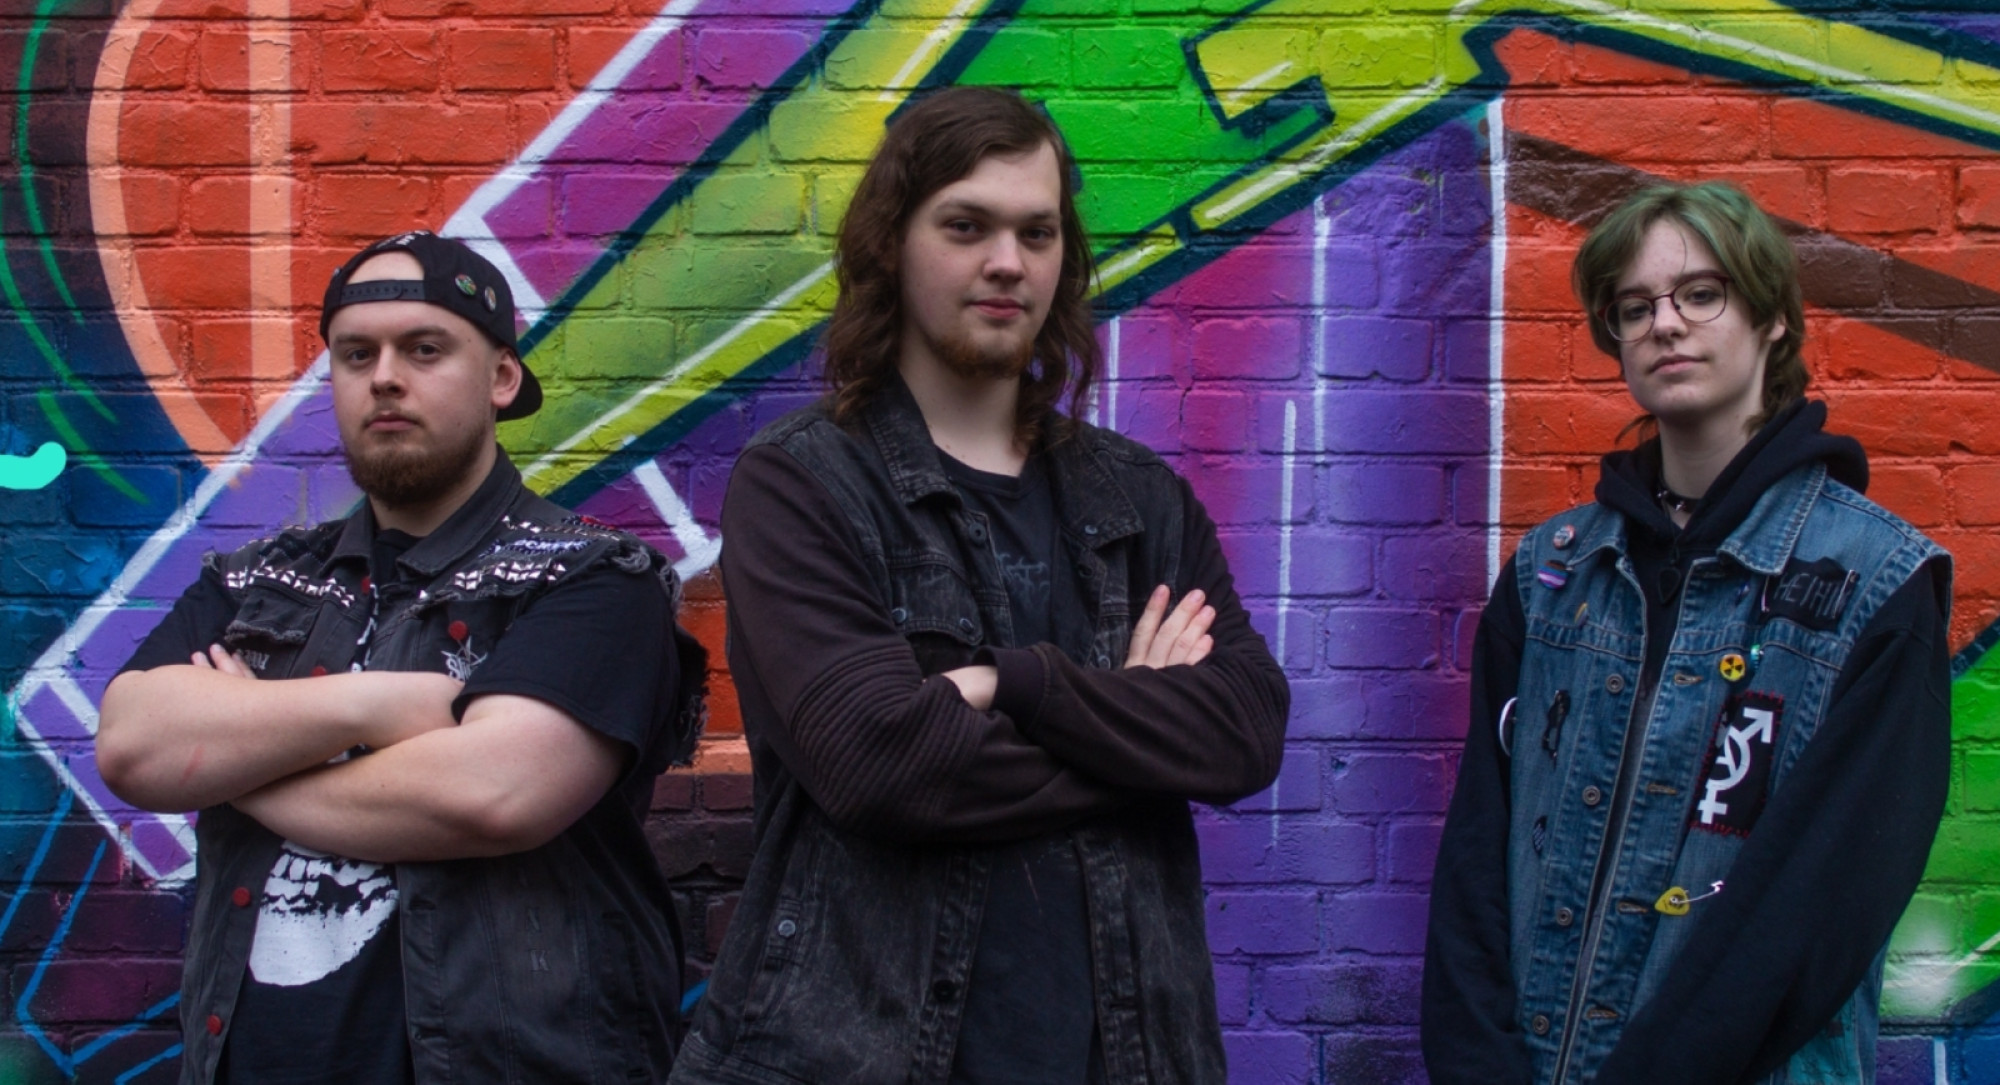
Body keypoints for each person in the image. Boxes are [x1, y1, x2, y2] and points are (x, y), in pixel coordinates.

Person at [667, 87, 1290, 1085]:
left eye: (1036, 232)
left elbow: (1245, 731)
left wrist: (1013, 684)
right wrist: (1136, 727)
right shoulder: (803, 484)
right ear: (891, 246)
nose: (1008, 261)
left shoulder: (1137, 498)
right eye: (966, 226)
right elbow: (880, 763)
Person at [96, 231, 706, 1085]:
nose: (384, 376)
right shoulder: (255, 579)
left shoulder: (595, 577)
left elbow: (493, 794)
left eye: (425, 349)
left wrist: (234, 766)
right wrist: (375, 705)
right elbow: (131, 745)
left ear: (501, 378)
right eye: (357, 354)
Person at [1422, 181, 1951, 1084]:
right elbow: (1478, 855)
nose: (1665, 323)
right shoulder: (1553, 574)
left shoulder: (1877, 585)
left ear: (1771, 318)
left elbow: (1816, 908)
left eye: (1701, 294)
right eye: (1635, 308)